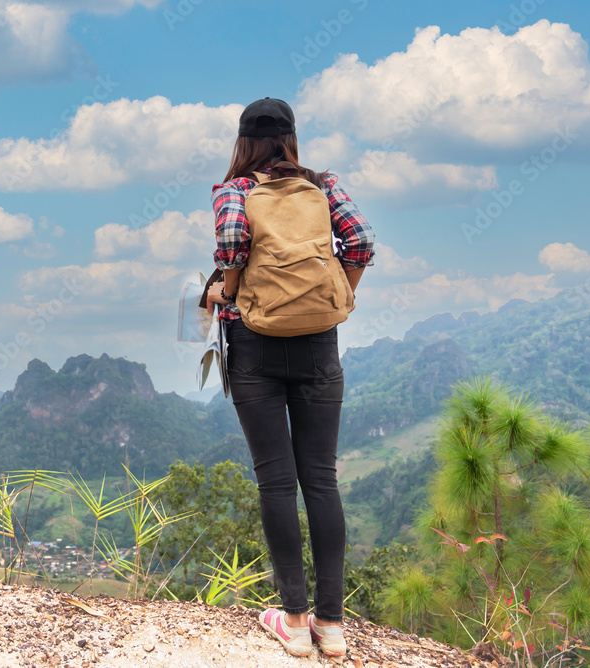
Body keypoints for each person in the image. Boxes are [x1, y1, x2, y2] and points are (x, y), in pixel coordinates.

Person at [206, 97, 374, 658]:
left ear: (244, 143)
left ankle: (294, 621)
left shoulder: (234, 190)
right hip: (318, 346)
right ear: (290, 139)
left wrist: (227, 293)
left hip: (254, 346)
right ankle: (332, 625)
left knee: (275, 482)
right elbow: (362, 243)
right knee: (320, 479)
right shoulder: (323, 187)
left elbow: (231, 244)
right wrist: (341, 294)